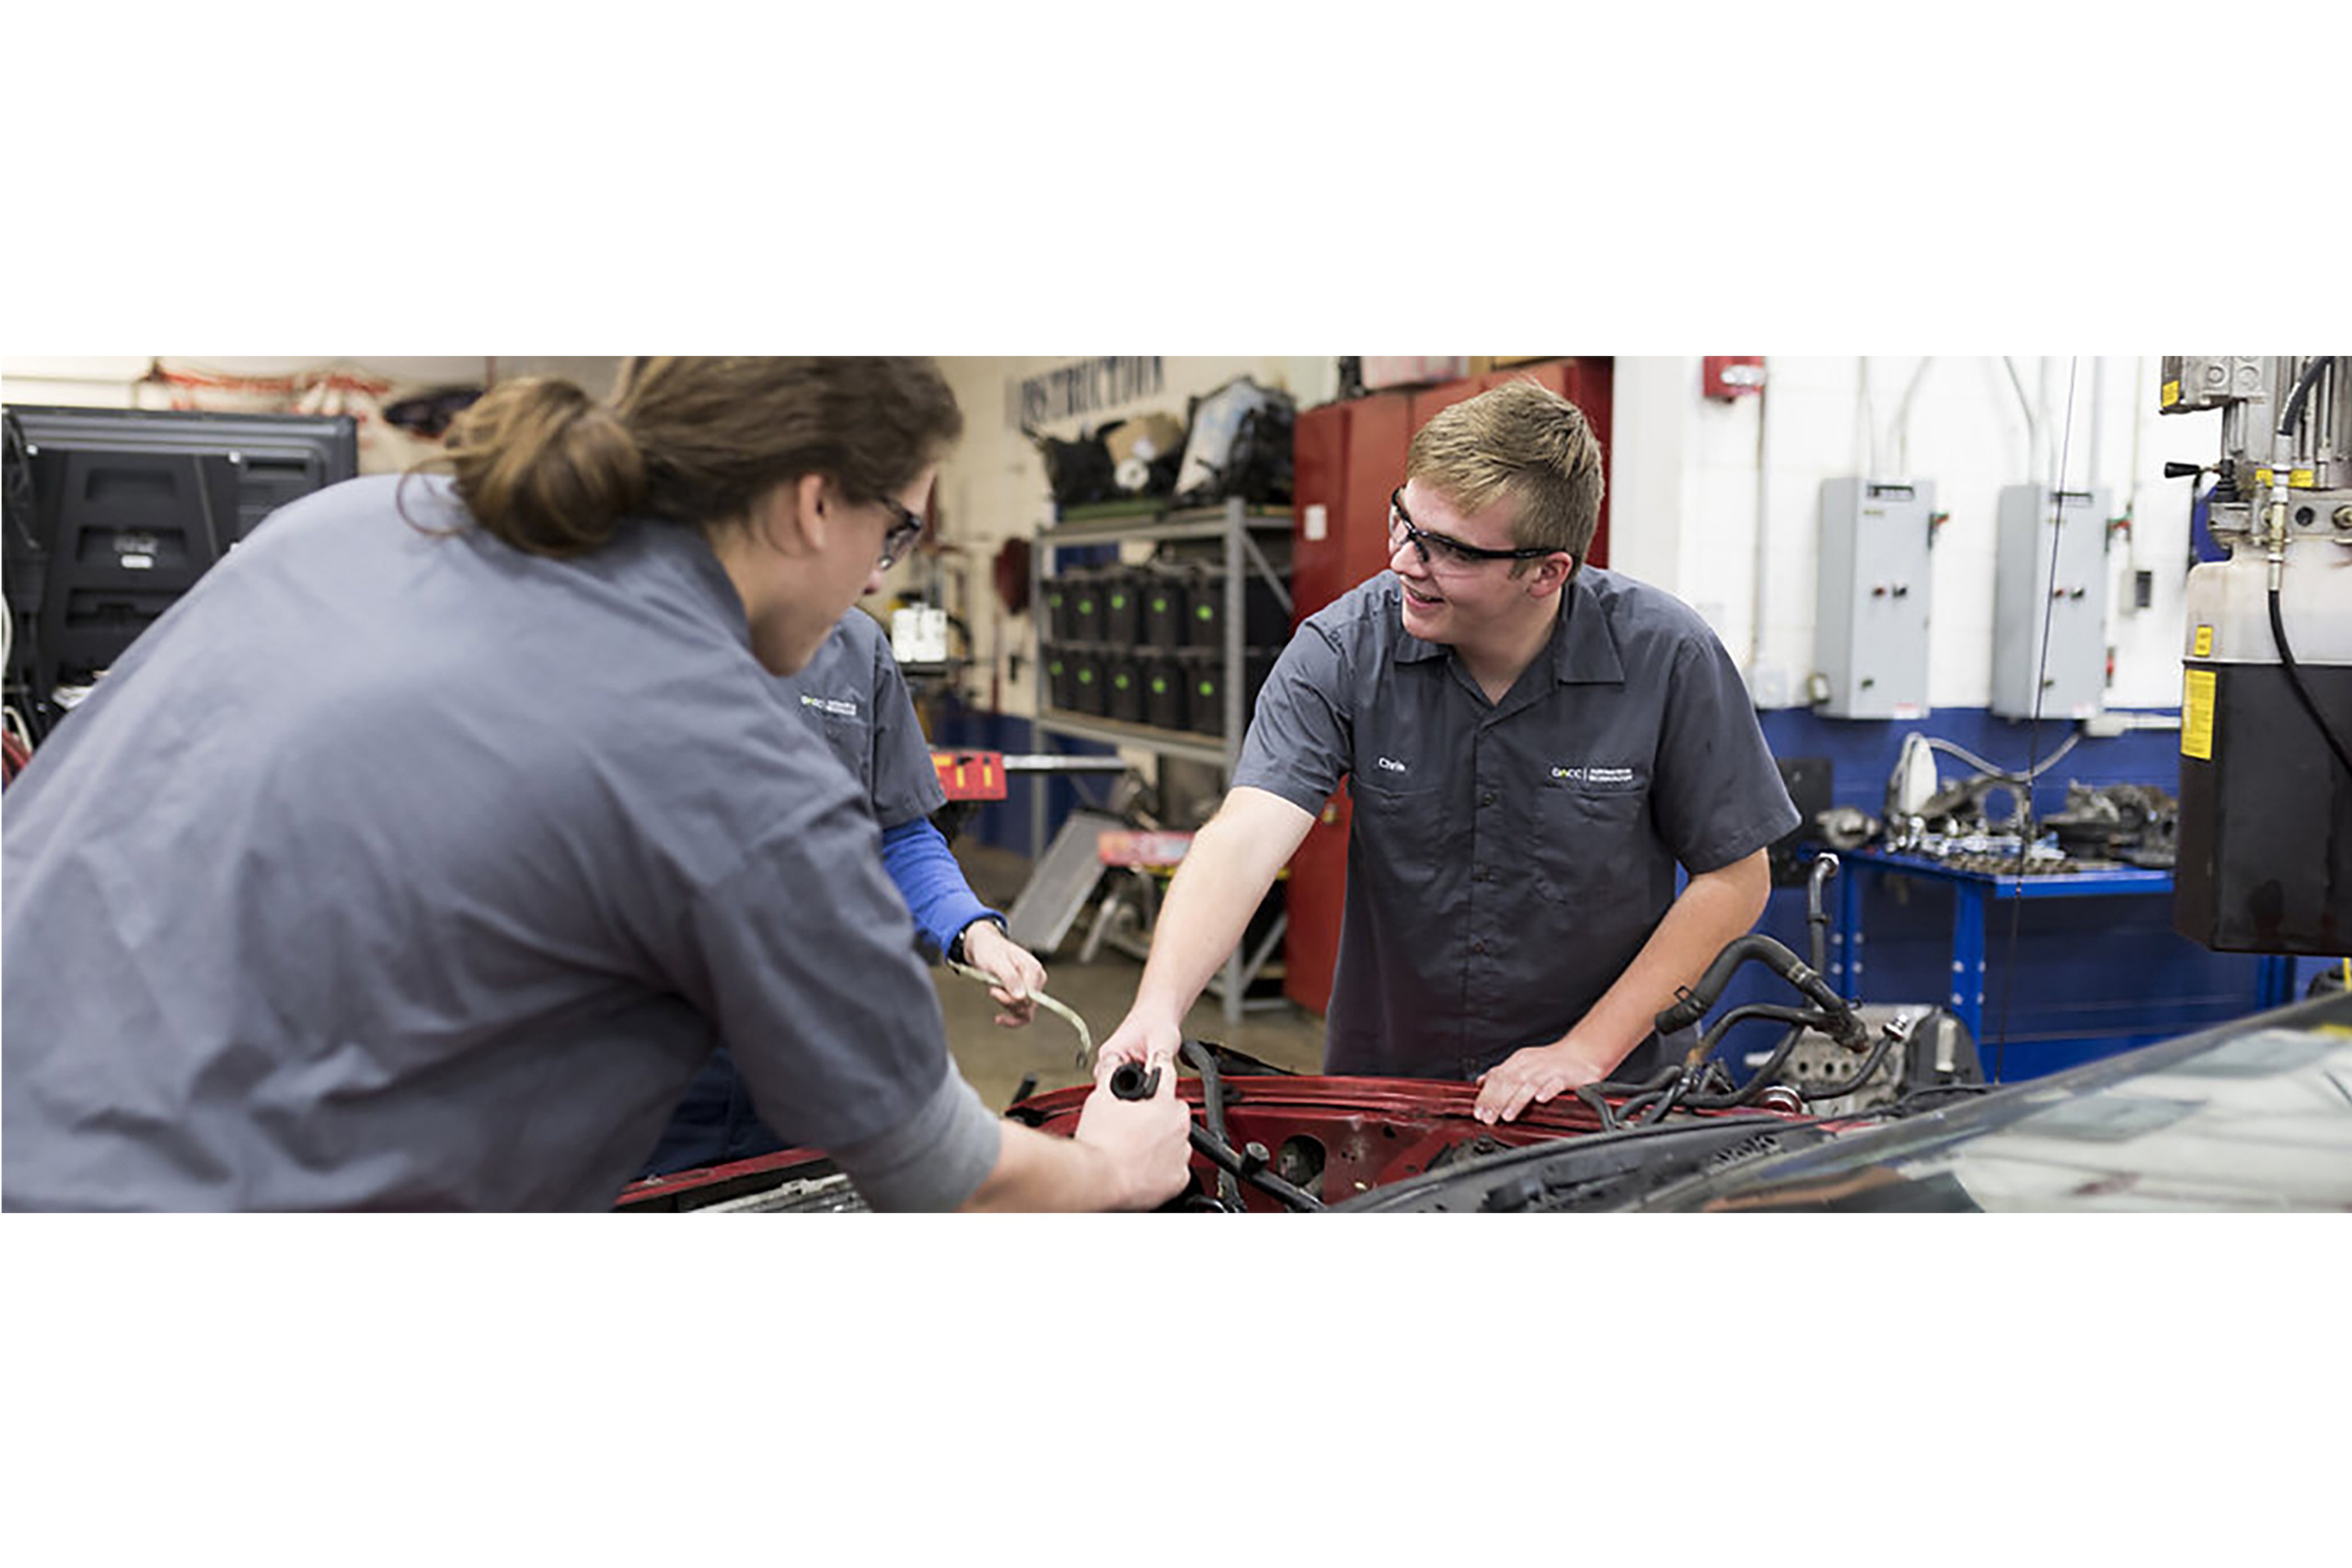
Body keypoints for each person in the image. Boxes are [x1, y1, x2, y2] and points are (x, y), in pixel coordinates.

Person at [1, 356, 1190, 1212]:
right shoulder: (724, 754)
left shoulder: (345, 526)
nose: (880, 577)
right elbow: (943, 1174)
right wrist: (1111, 1169)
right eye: (893, 533)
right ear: (814, 499)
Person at [1093, 379, 1798, 1124]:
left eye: (1449, 550)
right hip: (1389, 1094)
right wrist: (1159, 1006)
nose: (1404, 561)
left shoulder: (1669, 659)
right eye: (1404, 522)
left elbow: (1735, 877)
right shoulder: (1343, 649)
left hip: (1600, 1103)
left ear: (1546, 571)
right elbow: (1243, 840)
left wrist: (1585, 1050)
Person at [638, 603, 1048, 1175]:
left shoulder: (855, 643)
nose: (881, 577)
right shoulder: (617, 623)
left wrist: (973, 931)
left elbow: (899, 831)